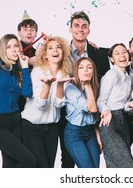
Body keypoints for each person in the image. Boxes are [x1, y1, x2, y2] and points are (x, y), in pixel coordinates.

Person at [0, 0, 36, 167]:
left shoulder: (20, 70)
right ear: (3, 50)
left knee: (11, 165)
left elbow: (27, 92)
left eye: (16, 46)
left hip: (15, 121)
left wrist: (26, 67)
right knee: (29, 160)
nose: (14, 49)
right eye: (10, 47)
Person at [58, 10, 110, 168]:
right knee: (67, 160)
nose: (80, 29)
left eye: (84, 26)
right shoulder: (62, 53)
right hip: (67, 117)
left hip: (91, 118)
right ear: (70, 29)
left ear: (89, 30)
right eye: (76, 25)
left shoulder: (99, 55)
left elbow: (105, 85)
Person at [21, 36, 73, 167]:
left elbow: (59, 104)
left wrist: (60, 85)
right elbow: (40, 105)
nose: (55, 50)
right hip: (32, 127)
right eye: (50, 48)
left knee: (49, 166)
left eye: (58, 47)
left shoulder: (65, 75)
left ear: (63, 53)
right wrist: (48, 85)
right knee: (41, 167)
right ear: (45, 55)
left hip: (51, 128)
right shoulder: (38, 73)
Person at [97, 43, 133, 168]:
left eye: (124, 52)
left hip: (123, 120)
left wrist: (130, 104)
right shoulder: (111, 74)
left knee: (115, 165)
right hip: (109, 122)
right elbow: (100, 101)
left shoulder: (128, 78)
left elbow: (122, 103)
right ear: (112, 59)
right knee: (127, 165)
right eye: (117, 53)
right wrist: (106, 112)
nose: (122, 55)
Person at [64, 57, 101, 168]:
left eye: (89, 67)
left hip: (90, 133)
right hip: (74, 134)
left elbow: (94, 117)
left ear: (93, 72)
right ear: (76, 71)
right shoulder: (70, 88)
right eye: (81, 67)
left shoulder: (96, 88)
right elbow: (91, 108)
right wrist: (87, 85)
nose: (85, 70)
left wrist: (98, 137)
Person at [17, 10, 40, 112]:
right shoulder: (14, 49)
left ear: (36, 34)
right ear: (19, 33)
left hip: (35, 95)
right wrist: (30, 61)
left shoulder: (37, 52)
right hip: (18, 96)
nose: (29, 32)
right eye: (25, 29)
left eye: (32, 29)